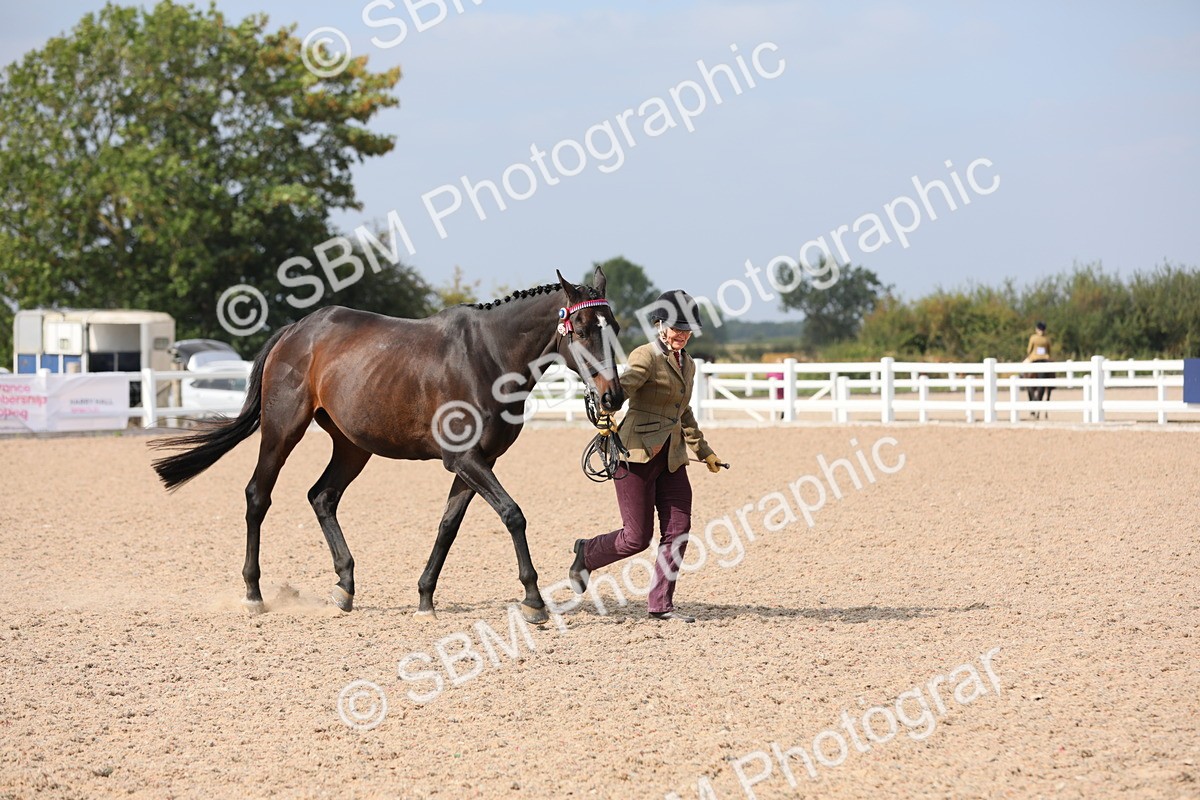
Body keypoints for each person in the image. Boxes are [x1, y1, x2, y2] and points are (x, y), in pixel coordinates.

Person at [568, 289, 725, 623]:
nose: (681, 334)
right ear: (659, 325)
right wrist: (607, 405)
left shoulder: (690, 364)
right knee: (636, 539)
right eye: (674, 327)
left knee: (679, 529)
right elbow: (623, 386)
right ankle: (587, 553)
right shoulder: (646, 356)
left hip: (672, 459)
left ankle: (660, 604)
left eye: (686, 329)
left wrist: (705, 452)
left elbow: (684, 413)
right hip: (635, 455)